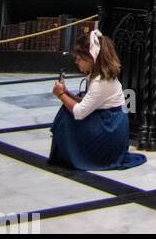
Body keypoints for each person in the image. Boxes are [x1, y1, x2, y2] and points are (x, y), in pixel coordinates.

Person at [49, 28, 146, 170]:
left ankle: (73, 154)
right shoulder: (99, 77)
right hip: (107, 121)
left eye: (80, 58)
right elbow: (88, 102)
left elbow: (79, 112)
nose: (77, 62)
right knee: (67, 107)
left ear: (91, 59)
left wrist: (60, 95)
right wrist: (68, 93)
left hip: (109, 127)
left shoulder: (101, 82)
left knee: (67, 113)